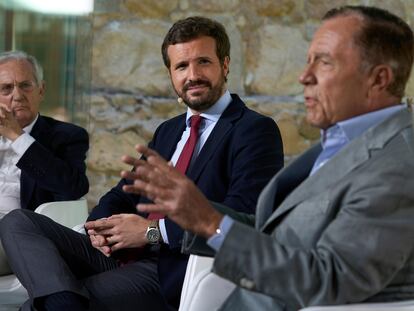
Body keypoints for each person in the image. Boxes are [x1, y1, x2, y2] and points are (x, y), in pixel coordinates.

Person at [118, 5, 414, 311]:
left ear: (379, 79)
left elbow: (330, 280)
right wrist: (197, 214)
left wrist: (209, 223)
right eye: (308, 61)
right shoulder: (342, 144)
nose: (304, 76)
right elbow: (268, 228)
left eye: (324, 63)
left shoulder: (398, 167)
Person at [0, 17, 284, 311]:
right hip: (121, 254)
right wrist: (99, 228)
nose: (193, 75)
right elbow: (124, 193)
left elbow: (242, 219)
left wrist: (151, 232)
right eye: (182, 66)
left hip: (174, 266)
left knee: (36, 305)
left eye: (203, 62)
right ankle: (63, 302)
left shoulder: (253, 129)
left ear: (224, 65)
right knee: (18, 222)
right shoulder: (170, 130)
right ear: (171, 73)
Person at [0, 50, 89, 276]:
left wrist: (18, 138)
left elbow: (73, 187)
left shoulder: (66, 136)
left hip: (19, 238)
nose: (17, 95)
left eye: (25, 85)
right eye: (6, 88)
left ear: (41, 90)